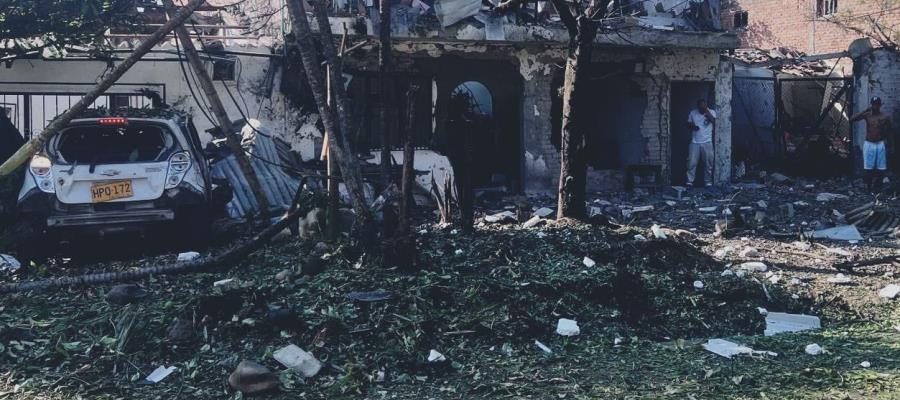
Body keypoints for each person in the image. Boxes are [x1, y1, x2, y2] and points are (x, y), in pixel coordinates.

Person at [850, 96, 892, 193]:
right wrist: (865, 110)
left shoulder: (885, 117)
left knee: (881, 167)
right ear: (871, 105)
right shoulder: (867, 115)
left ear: (880, 105)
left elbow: (889, 131)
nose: (875, 107)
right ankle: (868, 188)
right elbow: (852, 119)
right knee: (868, 167)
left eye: (877, 105)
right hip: (869, 144)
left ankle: (878, 188)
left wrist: (890, 145)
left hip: (880, 143)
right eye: (873, 105)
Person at [686, 99, 716, 187]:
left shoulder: (712, 112)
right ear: (697, 106)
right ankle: (689, 182)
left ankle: (708, 182)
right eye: (700, 107)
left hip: (707, 142)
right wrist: (693, 126)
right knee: (691, 163)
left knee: (708, 163)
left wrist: (707, 112)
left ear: (706, 106)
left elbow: (714, 121)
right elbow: (688, 124)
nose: (701, 109)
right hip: (694, 142)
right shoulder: (693, 113)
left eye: (703, 106)